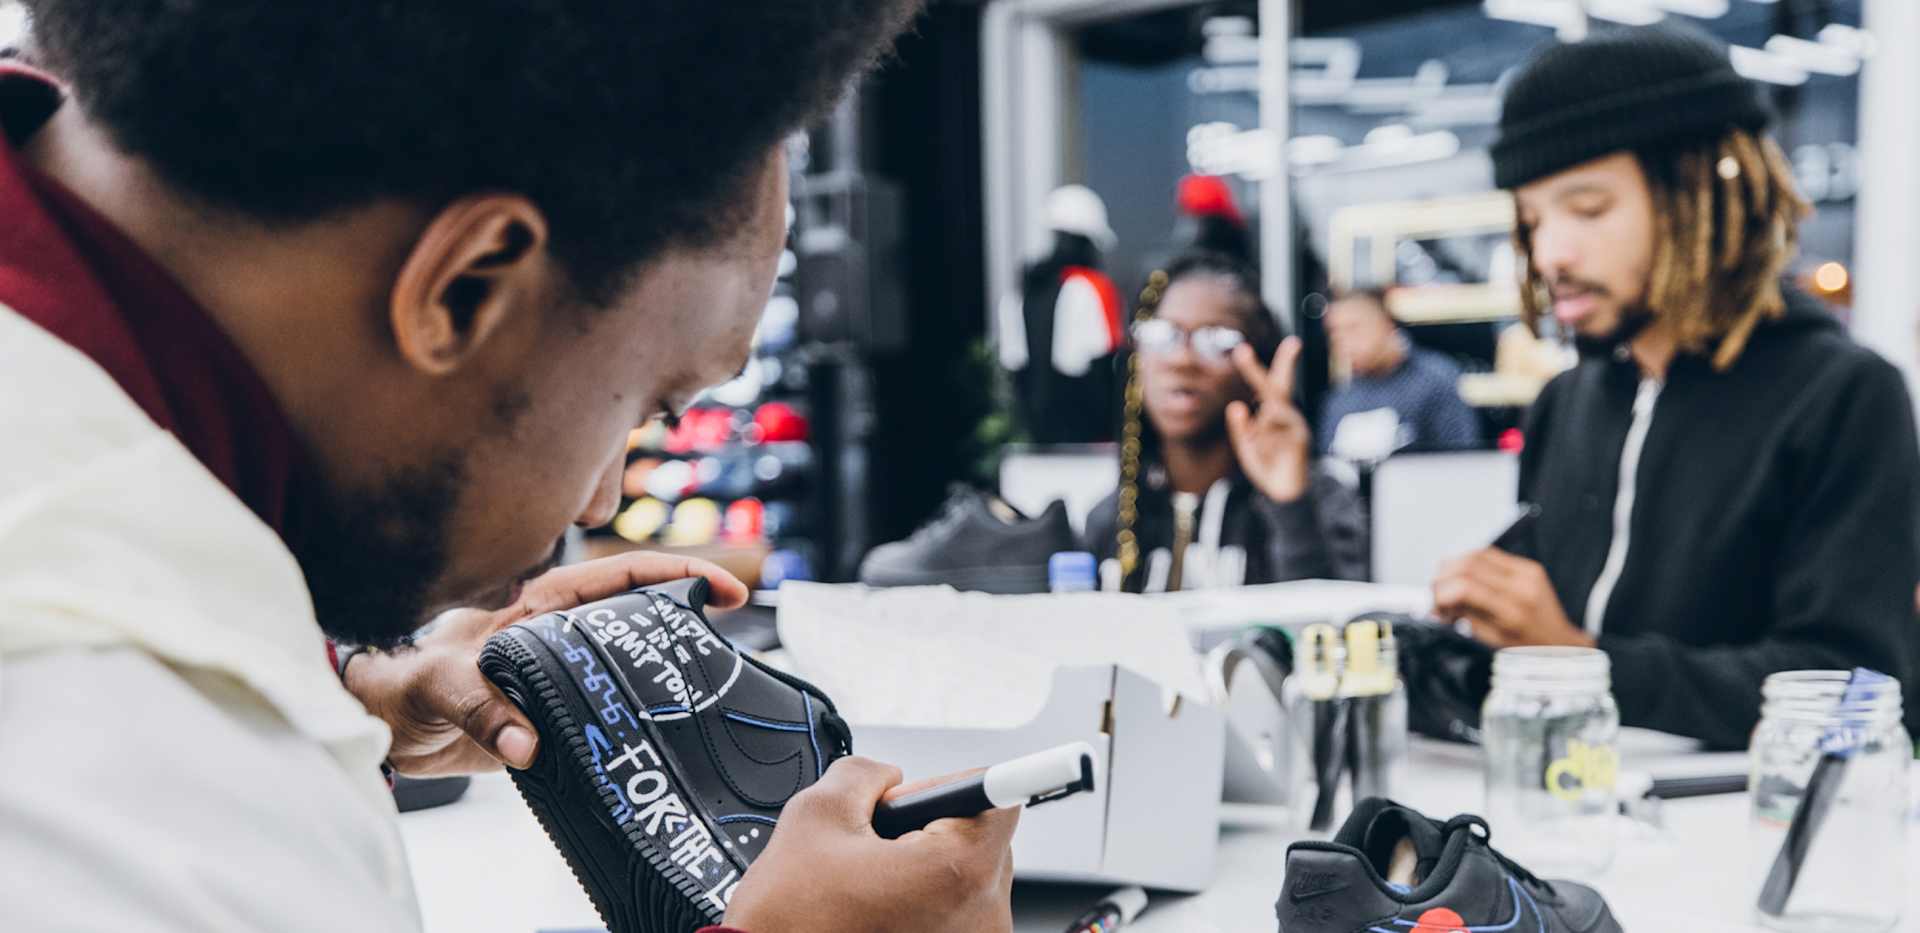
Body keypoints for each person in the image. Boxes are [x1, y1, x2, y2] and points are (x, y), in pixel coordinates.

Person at [0, 3, 1018, 932]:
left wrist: (342, 699)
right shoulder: (103, 742)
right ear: (466, 290)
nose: (602, 498)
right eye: (649, 403)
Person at [1431, 24, 1920, 750]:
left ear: (1699, 191)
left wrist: (1583, 663)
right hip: (1559, 801)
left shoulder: (1844, 395)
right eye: (1531, 221)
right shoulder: (1565, 403)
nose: (1551, 253)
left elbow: (1853, 684)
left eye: (1589, 209)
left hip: (1749, 815)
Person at [1086, 252, 1366, 592]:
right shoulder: (1112, 518)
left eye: (1215, 340)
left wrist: (1291, 510)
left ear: (1257, 361)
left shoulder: (1321, 498)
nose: (1182, 360)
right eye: (1162, 335)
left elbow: (1336, 620)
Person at [996, 184, 1126, 445]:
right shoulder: (1093, 287)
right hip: (1090, 437)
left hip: (1036, 438)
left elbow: (1014, 368)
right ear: (1089, 242)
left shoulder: (1021, 292)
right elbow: (1107, 366)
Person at [1317, 288, 1481, 458]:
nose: (1343, 341)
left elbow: (1461, 460)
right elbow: (1328, 463)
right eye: (1334, 332)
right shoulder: (1340, 397)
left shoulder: (1435, 380)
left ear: (1386, 324)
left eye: (1353, 328)